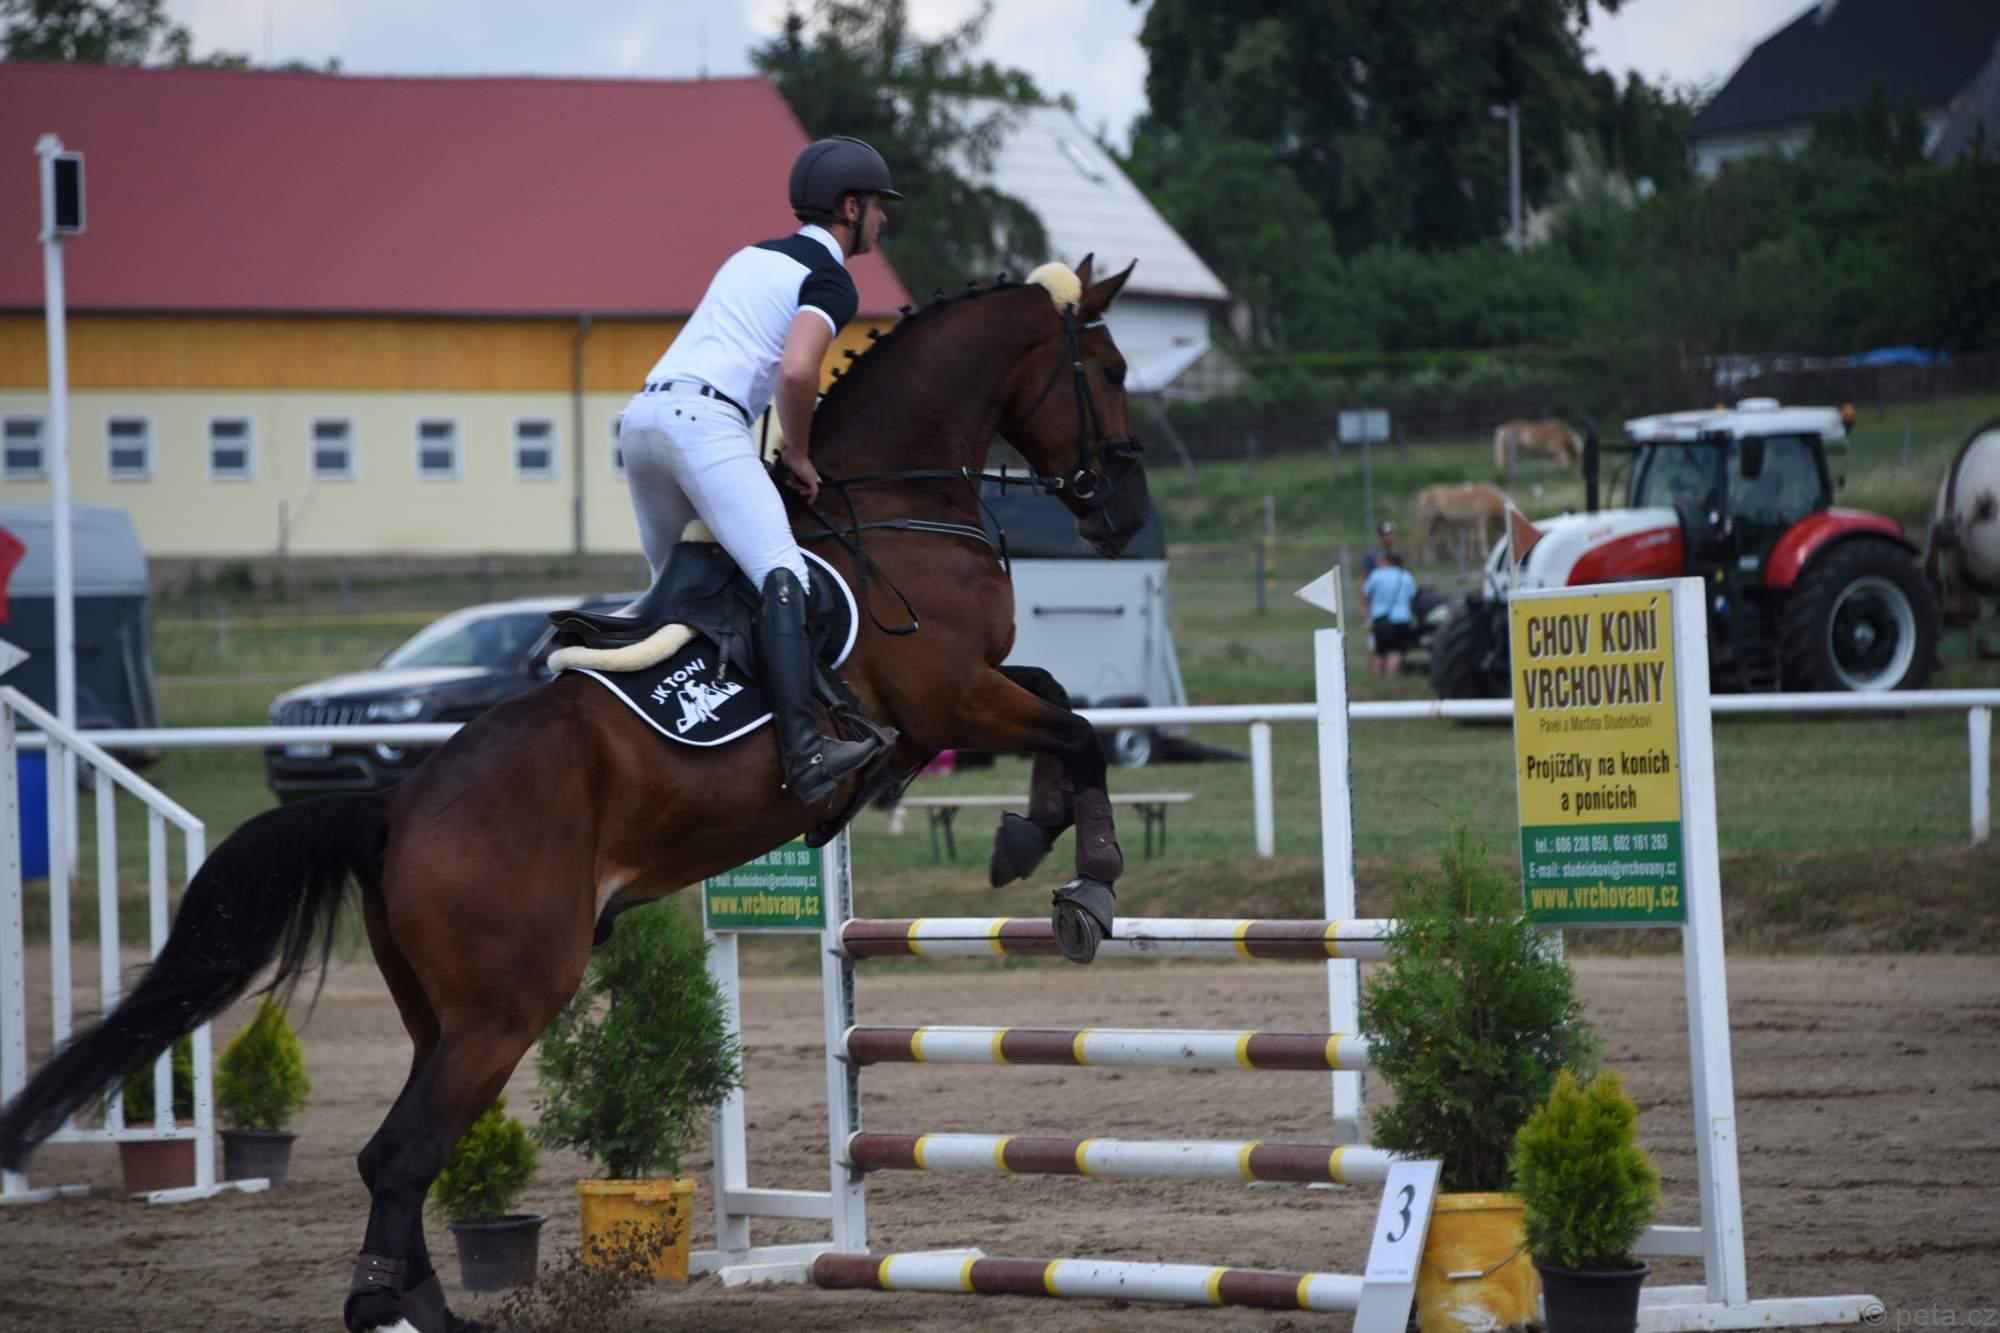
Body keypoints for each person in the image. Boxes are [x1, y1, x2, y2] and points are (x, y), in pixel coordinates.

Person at [616, 136, 902, 804]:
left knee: (675, 597)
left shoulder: (750, 256)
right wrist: (798, 453)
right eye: (878, 206)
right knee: (782, 574)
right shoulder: (831, 278)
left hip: (642, 420)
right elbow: (798, 372)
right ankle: (805, 751)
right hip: (703, 424)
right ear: (850, 207)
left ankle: (667, 752)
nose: (883, 218)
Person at [1361, 551, 1418, 677]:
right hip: (1402, 619)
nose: (1378, 562)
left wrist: (1366, 614)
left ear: (1388, 561)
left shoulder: (1376, 575)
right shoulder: (1406, 576)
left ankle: (1378, 679)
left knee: (1380, 651)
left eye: (1381, 560)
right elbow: (1412, 598)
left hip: (1380, 618)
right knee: (1396, 651)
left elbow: (1365, 595)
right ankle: (1391, 678)